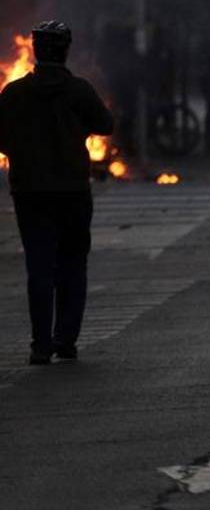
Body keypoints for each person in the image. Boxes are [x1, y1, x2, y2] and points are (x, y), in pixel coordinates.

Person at [0, 21, 114, 364]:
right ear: (66, 50)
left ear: (35, 50)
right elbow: (105, 125)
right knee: (72, 265)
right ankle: (65, 340)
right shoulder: (79, 90)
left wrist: (19, 152)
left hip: (30, 191)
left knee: (39, 267)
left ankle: (40, 345)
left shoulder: (15, 93)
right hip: (72, 191)